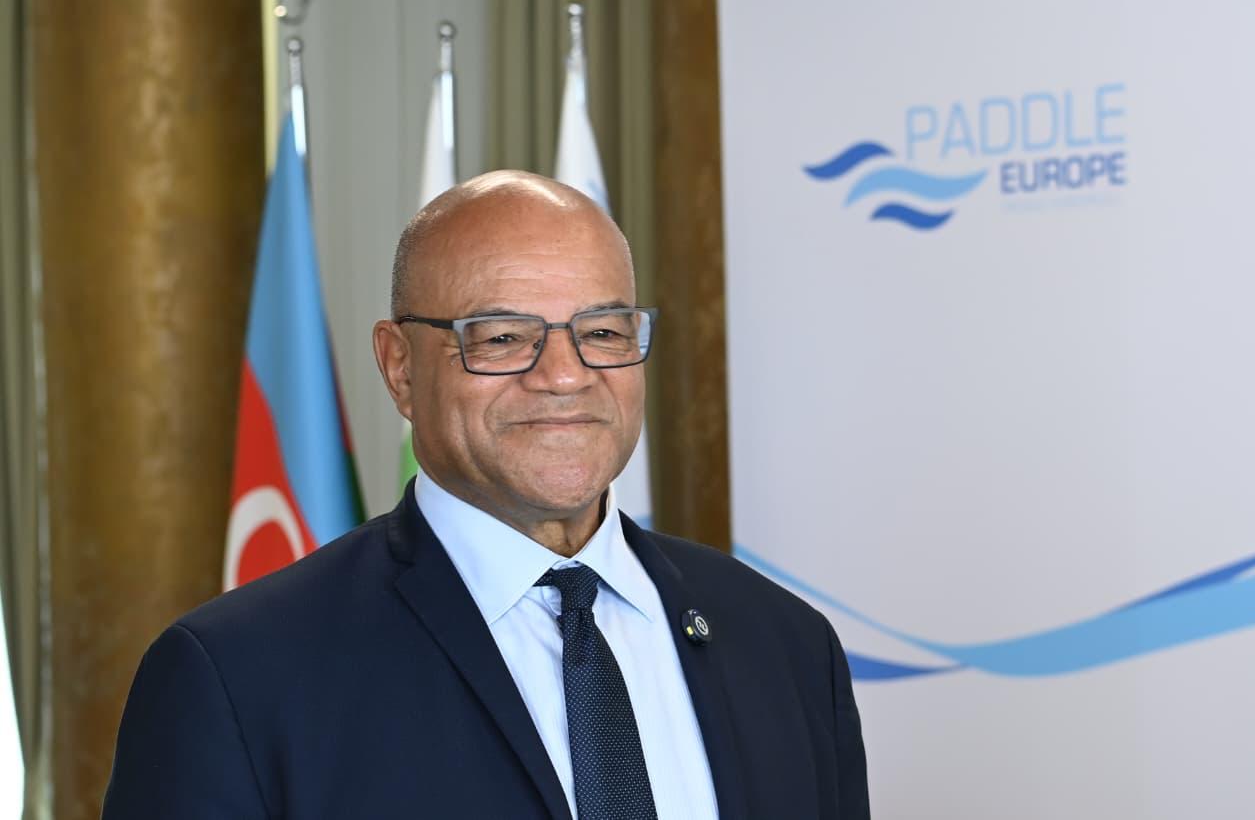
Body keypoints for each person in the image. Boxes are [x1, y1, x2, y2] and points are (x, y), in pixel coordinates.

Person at [103, 171, 871, 819]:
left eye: (603, 332)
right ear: (401, 367)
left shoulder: (787, 647)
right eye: (502, 336)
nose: (565, 375)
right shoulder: (238, 678)